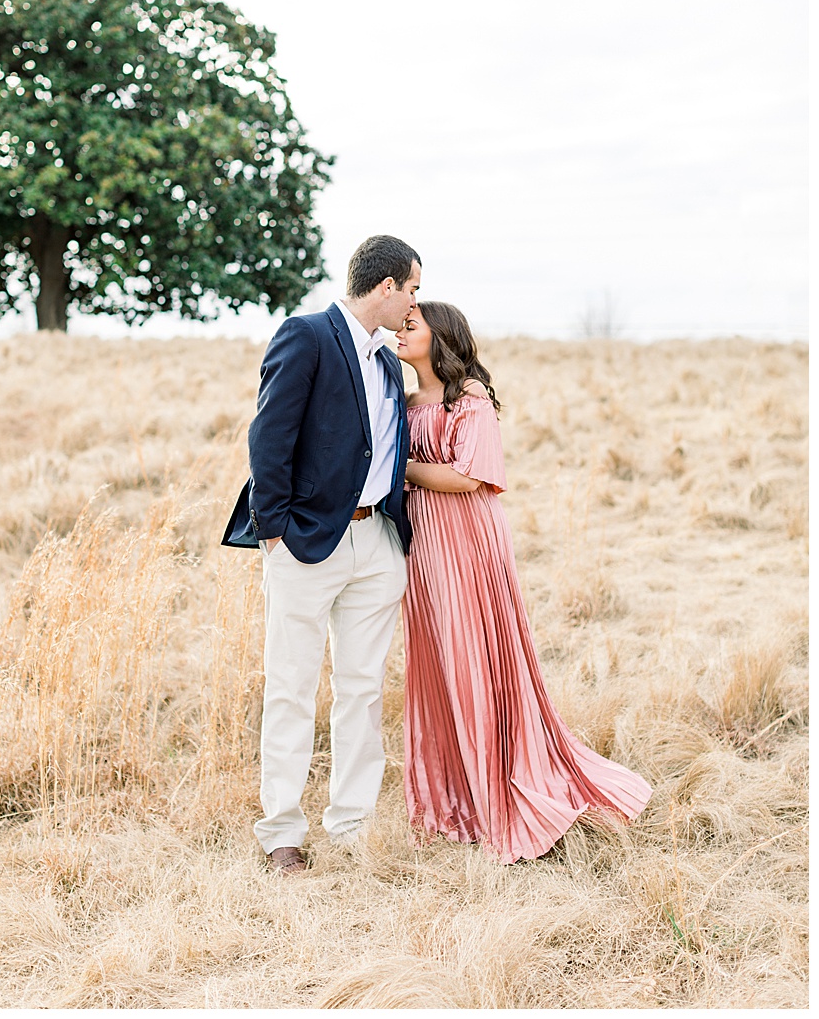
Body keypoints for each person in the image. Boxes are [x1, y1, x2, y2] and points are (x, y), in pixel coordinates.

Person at [395, 300, 650, 862]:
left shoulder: (470, 400)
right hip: (424, 547)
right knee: (440, 661)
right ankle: (455, 792)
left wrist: (399, 469)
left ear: (440, 336)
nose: (399, 331)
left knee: (477, 656)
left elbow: (467, 478)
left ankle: (503, 781)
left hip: (468, 541)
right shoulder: (405, 400)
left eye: (411, 324)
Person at [224, 234, 421, 874]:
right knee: (291, 685)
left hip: (377, 544)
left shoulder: (391, 362)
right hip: (306, 543)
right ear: (386, 285)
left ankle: (352, 823)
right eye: (412, 288)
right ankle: (282, 831)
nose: (414, 302)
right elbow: (270, 432)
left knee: (362, 689)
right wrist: (272, 527)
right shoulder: (305, 334)